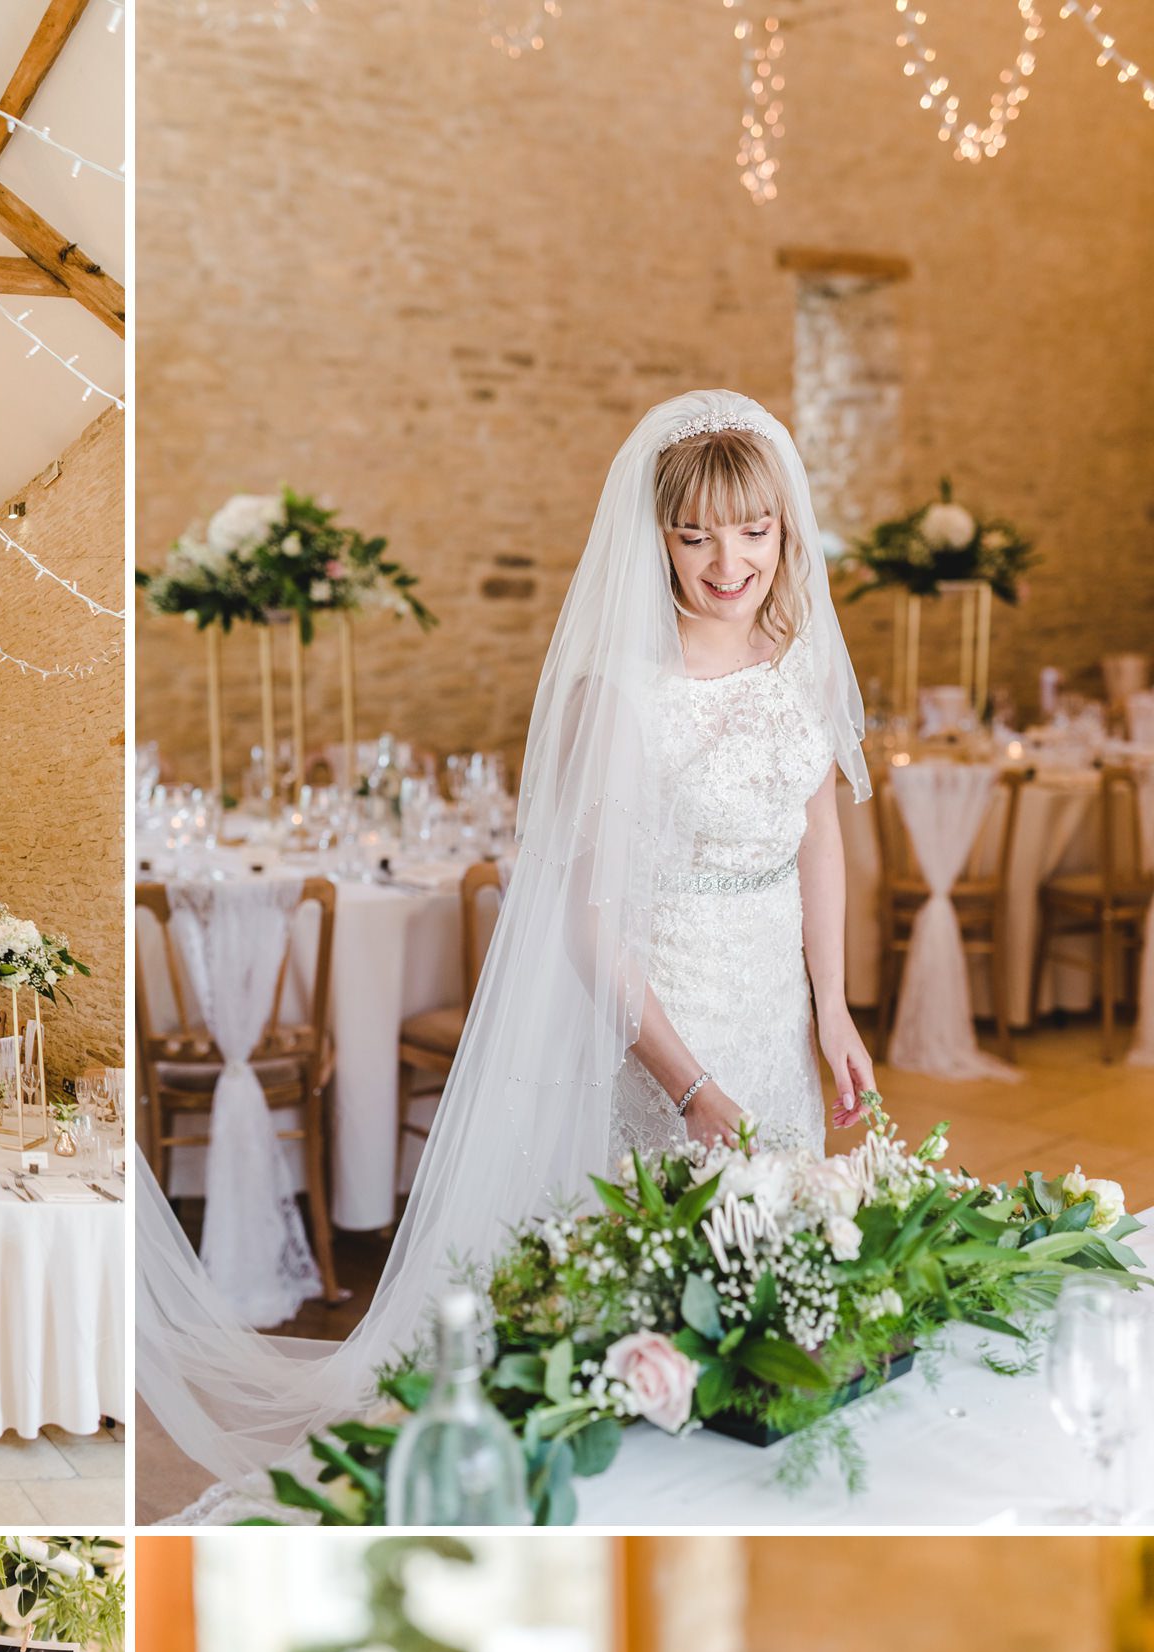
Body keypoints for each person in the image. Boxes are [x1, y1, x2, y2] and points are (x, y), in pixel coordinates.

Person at [136, 389, 876, 1513]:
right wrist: (686, 1085)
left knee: (755, 1265)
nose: (729, 560)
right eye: (695, 536)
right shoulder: (617, 694)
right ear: (658, 542)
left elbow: (817, 833)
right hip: (658, 1021)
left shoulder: (798, 661)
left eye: (754, 531)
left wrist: (830, 1008)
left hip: (772, 1000)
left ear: (782, 529)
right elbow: (586, 924)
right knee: (642, 1277)